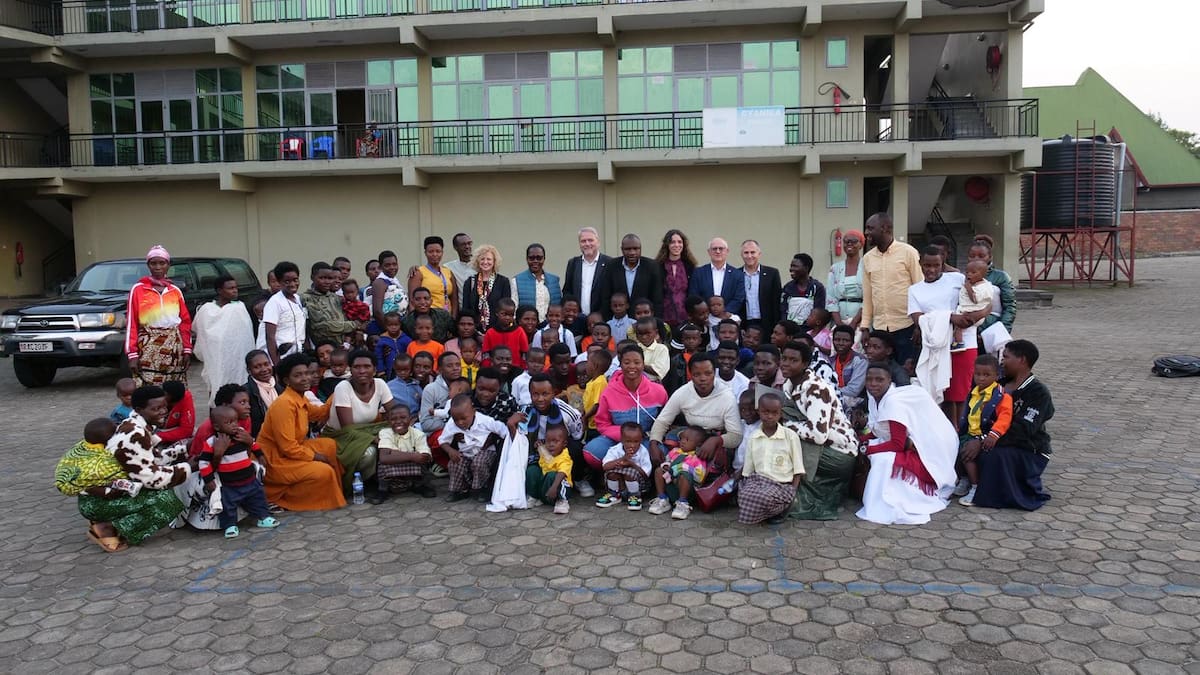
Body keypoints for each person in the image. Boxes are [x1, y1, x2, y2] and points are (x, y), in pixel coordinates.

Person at [856, 363, 959, 525]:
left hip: (920, 450)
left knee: (883, 459)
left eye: (879, 380)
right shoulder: (873, 398)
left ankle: (895, 499)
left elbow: (898, 443)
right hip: (903, 443)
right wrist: (858, 439)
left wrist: (868, 449)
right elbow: (879, 430)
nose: (873, 384)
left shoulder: (893, 402)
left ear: (890, 381)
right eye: (869, 379)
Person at [647, 354, 741, 515]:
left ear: (714, 373)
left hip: (714, 440)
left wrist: (716, 440)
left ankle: (691, 496)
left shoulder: (726, 395)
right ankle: (664, 496)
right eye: (697, 374)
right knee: (665, 450)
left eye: (708, 373)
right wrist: (654, 443)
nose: (703, 378)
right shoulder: (683, 392)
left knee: (712, 461)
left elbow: (736, 435)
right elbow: (663, 421)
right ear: (690, 374)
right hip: (691, 435)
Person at [777, 342, 861, 520]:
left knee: (787, 442)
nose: (786, 364)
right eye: (784, 358)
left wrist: (784, 425)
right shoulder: (790, 383)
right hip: (824, 445)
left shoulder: (816, 389)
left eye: (793, 360)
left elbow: (818, 434)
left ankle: (795, 495)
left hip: (840, 454)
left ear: (805, 364)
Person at [100, 385, 193, 543]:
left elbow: (152, 459)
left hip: (118, 487)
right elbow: (151, 478)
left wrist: (183, 449)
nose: (163, 411)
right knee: (169, 502)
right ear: (139, 409)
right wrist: (190, 467)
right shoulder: (136, 434)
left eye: (164, 406)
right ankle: (112, 530)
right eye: (156, 408)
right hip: (104, 496)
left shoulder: (134, 423)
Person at [257, 354, 345, 512]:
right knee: (323, 471)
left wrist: (340, 390)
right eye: (298, 375)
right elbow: (288, 448)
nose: (305, 378)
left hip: (289, 452)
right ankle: (277, 499)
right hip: (274, 460)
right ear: (286, 381)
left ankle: (335, 491)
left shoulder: (299, 397)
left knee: (329, 445)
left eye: (307, 373)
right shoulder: (284, 404)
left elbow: (319, 413)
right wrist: (316, 457)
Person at [973, 340, 1053, 510]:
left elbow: (1024, 430)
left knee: (992, 455)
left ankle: (986, 492)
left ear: (1022, 360)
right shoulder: (998, 384)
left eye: (1006, 357)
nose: (1002, 361)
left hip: (1029, 449)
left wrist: (983, 440)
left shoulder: (1038, 392)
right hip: (991, 438)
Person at [197, 405, 277, 539]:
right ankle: (230, 525)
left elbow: (253, 443)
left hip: (249, 479)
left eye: (235, 421)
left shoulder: (241, 433)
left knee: (258, 498)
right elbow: (203, 463)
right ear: (217, 427)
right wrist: (209, 480)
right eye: (228, 423)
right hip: (229, 484)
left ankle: (263, 517)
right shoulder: (212, 442)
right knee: (228, 505)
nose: (234, 425)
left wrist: (260, 456)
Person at [324, 349, 396, 493]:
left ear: (375, 369)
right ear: (351, 370)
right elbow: (348, 428)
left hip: (367, 431)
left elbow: (395, 414)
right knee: (369, 453)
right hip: (342, 437)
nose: (362, 371)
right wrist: (375, 439)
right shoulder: (343, 388)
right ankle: (356, 483)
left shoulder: (380, 384)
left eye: (367, 366)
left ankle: (389, 479)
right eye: (357, 367)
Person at [860, 213, 923, 367]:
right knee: (882, 373)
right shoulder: (867, 258)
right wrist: (865, 327)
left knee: (905, 373)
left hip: (906, 326)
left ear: (885, 228)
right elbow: (868, 296)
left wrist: (919, 325)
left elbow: (920, 289)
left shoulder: (908, 252)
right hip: (880, 327)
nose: (866, 233)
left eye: (870, 228)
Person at [126, 245, 192, 386]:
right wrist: (132, 354)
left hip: (174, 345)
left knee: (174, 388)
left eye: (162, 263)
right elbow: (131, 323)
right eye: (153, 263)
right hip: (148, 346)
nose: (158, 267)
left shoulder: (174, 291)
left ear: (168, 265)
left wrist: (187, 349)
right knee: (149, 390)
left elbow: (185, 322)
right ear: (148, 265)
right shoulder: (138, 289)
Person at [735, 393, 805, 525]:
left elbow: (798, 468)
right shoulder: (754, 437)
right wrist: (744, 485)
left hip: (781, 485)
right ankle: (764, 511)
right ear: (759, 412)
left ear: (780, 414)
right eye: (766, 412)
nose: (770, 416)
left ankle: (781, 509)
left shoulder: (790, 436)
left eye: (774, 413)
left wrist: (792, 491)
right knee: (744, 496)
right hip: (758, 481)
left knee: (764, 498)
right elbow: (748, 469)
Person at [954, 354, 1013, 507]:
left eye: (986, 375)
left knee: (968, 455)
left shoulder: (1001, 396)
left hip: (985, 435)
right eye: (978, 374)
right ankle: (964, 480)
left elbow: (1004, 418)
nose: (981, 378)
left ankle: (975, 487)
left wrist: (993, 435)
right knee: (954, 448)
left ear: (997, 375)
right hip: (969, 432)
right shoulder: (973, 392)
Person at [192, 274, 255, 406]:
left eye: (236, 287)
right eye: (230, 288)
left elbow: (245, 337)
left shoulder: (240, 308)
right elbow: (200, 331)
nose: (235, 290)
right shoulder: (206, 310)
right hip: (215, 358)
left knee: (238, 386)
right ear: (220, 290)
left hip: (236, 359)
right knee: (215, 384)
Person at [440, 394, 514, 502]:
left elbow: (504, 431)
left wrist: (501, 442)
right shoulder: (452, 424)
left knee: (479, 463)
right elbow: (442, 440)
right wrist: (451, 451)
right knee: (454, 463)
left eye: (464, 418)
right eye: (456, 419)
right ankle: (460, 490)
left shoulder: (485, 421)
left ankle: (481, 489)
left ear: (473, 411)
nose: (460, 422)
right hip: (466, 453)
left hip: (485, 451)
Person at [523, 374, 588, 494]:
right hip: (538, 449)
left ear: (553, 393)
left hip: (561, 448)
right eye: (535, 394)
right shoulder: (526, 412)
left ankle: (577, 479)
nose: (540, 399)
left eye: (545, 394)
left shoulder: (567, 413)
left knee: (576, 447)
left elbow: (577, 435)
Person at [372, 404, 436, 503]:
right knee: (382, 465)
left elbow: (424, 457)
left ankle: (420, 486)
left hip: (410, 472)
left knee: (422, 465)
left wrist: (394, 453)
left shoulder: (418, 434)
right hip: (393, 473)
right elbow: (384, 458)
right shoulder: (385, 432)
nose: (398, 422)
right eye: (393, 419)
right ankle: (382, 491)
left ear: (410, 420)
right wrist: (412, 455)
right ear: (388, 421)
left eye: (403, 418)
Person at [601, 234, 664, 318]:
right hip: (618, 320)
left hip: (644, 321)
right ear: (622, 249)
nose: (632, 252)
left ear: (640, 249)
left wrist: (655, 321)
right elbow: (606, 297)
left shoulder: (652, 266)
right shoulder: (611, 266)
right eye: (628, 249)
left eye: (635, 248)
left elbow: (657, 299)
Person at [595, 422, 652, 510]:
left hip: (638, 487)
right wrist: (622, 459)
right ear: (621, 439)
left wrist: (631, 464)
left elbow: (645, 474)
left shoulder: (643, 452)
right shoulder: (615, 450)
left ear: (641, 440)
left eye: (636, 441)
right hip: (620, 486)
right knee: (612, 472)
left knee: (629, 473)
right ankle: (614, 495)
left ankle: (634, 497)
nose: (632, 445)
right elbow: (605, 467)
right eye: (628, 441)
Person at [304, 261, 361, 349]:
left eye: (330, 278)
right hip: (324, 349)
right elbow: (323, 327)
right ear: (312, 277)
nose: (327, 282)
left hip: (344, 347)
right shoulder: (307, 299)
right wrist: (355, 325)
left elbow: (348, 318)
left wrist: (347, 343)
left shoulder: (337, 298)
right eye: (322, 278)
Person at [967, 235, 1016, 333]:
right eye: (972, 256)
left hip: (992, 329)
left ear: (990, 257)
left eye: (981, 256)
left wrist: (1001, 331)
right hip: (967, 331)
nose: (976, 259)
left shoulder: (1001, 277)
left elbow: (1009, 307)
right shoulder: (962, 277)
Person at [460, 244, 513, 331]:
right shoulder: (470, 282)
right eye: (482, 259)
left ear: (494, 261)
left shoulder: (503, 281)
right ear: (477, 261)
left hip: (497, 330)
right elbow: (466, 309)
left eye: (489, 259)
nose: (485, 262)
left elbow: (506, 309)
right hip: (475, 332)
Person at [562, 227, 612, 318]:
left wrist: (600, 314)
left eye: (590, 240)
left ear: (598, 242)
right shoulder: (573, 263)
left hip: (602, 318)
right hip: (578, 318)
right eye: (583, 241)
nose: (587, 244)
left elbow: (612, 293)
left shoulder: (610, 263)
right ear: (579, 244)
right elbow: (567, 290)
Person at [262, 261, 307, 365]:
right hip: (282, 356)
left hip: (297, 353)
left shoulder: (298, 299)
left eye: (295, 280)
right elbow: (270, 337)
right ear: (279, 282)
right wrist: (276, 364)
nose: (292, 284)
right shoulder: (274, 302)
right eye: (287, 281)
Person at [689, 237, 746, 316]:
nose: (718, 251)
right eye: (714, 249)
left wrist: (725, 313)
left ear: (727, 251)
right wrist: (705, 313)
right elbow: (694, 295)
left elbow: (739, 298)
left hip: (728, 319)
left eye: (721, 248)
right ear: (709, 252)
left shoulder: (737, 274)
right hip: (705, 319)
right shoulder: (698, 273)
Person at [526, 423, 574, 514]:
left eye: (555, 441)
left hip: (556, 489)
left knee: (553, 475)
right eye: (548, 441)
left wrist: (554, 487)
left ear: (564, 444)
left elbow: (562, 472)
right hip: (545, 490)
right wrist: (539, 446)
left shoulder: (565, 457)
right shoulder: (546, 452)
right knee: (532, 470)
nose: (551, 444)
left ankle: (562, 501)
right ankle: (534, 497)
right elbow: (543, 460)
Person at [654, 229, 698, 327]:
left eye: (679, 242)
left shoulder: (690, 267)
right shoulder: (658, 266)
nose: (676, 245)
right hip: (663, 316)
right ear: (667, 245)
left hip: (685, 317)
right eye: (672, 242)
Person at [739, 239, 783, 333]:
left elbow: (776, 301)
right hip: (744, 324)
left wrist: (777, 325)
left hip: (767, 324)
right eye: (746, 253)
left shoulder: (772, 274)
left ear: (759, 254)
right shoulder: (736, 274)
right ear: (741, 254)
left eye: (753, 252)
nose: (749, 256)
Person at [407, 236, 457, 315]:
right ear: (425, 253)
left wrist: (454, 318)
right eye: (430, 252)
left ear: (442, 252)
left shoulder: (448, 272)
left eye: (438, 251)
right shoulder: (418, 272)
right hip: (428, 318)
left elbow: (454, 300)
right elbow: (412, 301)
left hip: (447, 317)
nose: (434, 254)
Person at [826, 228, 865, 330]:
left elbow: (869, 298)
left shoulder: (867, 267)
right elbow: (831, 297)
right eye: (846, 241)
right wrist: (839, 324)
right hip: (839, 320)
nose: (849, 244)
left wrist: (855, 322)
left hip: (862, 321)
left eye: (854, 241)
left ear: (861, 244)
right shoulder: (835, 268)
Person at [513, 243, 562, 321]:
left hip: (549, 329)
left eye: (539, 258)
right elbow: (514, 309)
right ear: (527, 259)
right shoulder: (517, 280)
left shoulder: (554, 281)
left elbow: (558, 306)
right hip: (526, 328)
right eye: (531, 258)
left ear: (544, 259)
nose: (535, 261)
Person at [954, 260, 995, 348]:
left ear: (983, 274)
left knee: (958, 327)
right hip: (970, 311)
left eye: (973, 272)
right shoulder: (975, 283)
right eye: (967, 272)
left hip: (972, 313)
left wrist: (968, 288)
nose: (969, 274)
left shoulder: (983, 287)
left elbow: (975, 299)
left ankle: (959, 343)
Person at [369, 250, 409, 335]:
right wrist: (390, 332)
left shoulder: (394, 281)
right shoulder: (380, 282)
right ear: (380, 267)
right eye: (387, 265)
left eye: (394, 264)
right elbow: (377, 311)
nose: (392, 267)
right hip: (384, 329)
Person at [482, 298, 529, 369]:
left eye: (511, 315)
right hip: (495, 369)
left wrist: (523, 368)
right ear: (497, 313)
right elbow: (486, 353)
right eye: (504, 314)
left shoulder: (519, 331)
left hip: (515, 368)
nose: (507, 317)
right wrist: (487, 368)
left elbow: (524, 352)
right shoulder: (490, 332)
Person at [780, 253, 826, 325]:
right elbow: (783, 310)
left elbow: (819, 312)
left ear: (806, 268)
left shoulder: (817, 288)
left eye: (795, 266)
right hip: (790, 331)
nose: (791, 269)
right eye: (791, 266)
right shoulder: (788, 287)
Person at [831, 325, 868, 410]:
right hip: (833, 398)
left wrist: (828, 391)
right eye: (837, 340)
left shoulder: (860, 361)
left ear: (852, 342)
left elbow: (853, 390)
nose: (841, 343)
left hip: (854, 403)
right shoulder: (830, 360)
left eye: (845, 340)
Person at [156, 380, 196, 446]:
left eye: (164, 393)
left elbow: (186, 431)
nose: (160, 393)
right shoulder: (154, 398)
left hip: (170, 431)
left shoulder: (185, 398)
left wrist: (158, 436)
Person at [375, 312, 411, 378]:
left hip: (405, 368)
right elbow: (379, 357)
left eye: (396, 325)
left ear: (400, 324)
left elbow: (410, 353)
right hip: (389, 370)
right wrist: (381, 371)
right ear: (385, 325)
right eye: (390, 325)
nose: (393, 327)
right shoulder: (382, 341)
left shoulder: (406, 339)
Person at [633, 317, 669, 383]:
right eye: (640, 334)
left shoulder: (661, 349)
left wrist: (637, 365)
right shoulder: (634, 348)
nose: (644, 337)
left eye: (647, 333)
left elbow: (657, 371)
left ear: (656, 332)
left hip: (653, 384)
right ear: (636, 334)